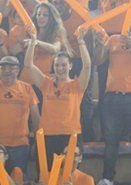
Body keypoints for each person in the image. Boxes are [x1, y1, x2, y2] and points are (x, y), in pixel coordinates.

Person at [24, 32, 91, 163]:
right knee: (45, 178)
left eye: (64, 65)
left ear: (70, 66)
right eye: (57, 65)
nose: (60, 68)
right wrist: (32, 42)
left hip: (70, 135)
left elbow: (87, 65)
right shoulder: (46, 83)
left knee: (68, 179)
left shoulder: (77, 85)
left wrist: (81, 42)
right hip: (47, 135)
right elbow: (28, 65)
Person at [0, 55, 39, 174]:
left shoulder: (27, 88)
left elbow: (36, 118)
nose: (7, 71)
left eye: (11, 67)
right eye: (3, 67)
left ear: (18, 70)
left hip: (20, 145)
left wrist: (38, 142)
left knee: (18, 182)